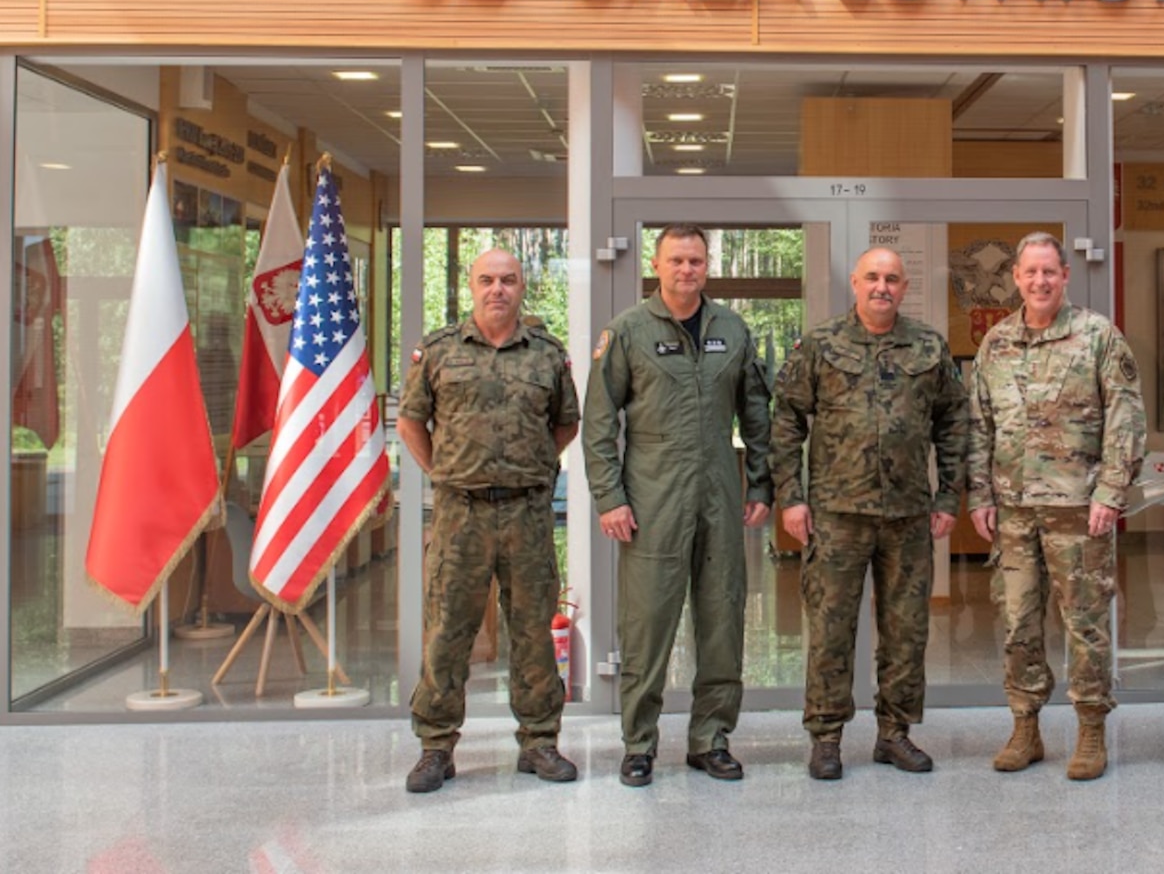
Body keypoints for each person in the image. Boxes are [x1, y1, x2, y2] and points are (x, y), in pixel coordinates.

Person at [580, 226, 773, 786]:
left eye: (695, 260)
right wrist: (609, 497)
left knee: (722, 621)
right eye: (676, 260)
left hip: (717, 494)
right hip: (652, 499)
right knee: (647, 625)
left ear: (706, 266)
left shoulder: (731, 329)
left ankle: (710, 739)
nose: (686, 269)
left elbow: (756, 415)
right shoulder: (628, 332)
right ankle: (639, 743)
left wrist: (760, 485)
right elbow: (598, 424)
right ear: (655, 265)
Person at [771, 247, 969, 780]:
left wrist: (950, 496)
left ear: (905, 288)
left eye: (893, 279)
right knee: (831, 630)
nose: (882, 287)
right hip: (836, 515)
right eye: (873, 278)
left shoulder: (928, 345)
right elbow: (786, 420)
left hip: (908, 516)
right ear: (855, 284)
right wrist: (791, 496)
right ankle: (827, 737)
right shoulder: (820, 344)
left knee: (906, 630)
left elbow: (954, 423)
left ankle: (895, 734)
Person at [399, 248, 580, 794]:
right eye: (487, 280)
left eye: (507, 280)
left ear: (522, 287)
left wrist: (535, 466)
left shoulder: (547, 354)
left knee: (532, 631)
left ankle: (540, 741)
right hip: (461, 513)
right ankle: (436, 747)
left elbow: (565, 425)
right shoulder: (438, 351)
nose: (497, 289)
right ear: (471, 288)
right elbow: (411, 422)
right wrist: (444, 472)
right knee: (448, 631)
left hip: (525, 512)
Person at [966, 231, 1146, 782]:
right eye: (1030, 272)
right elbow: (979, 425)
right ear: (1015, 278)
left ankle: (1090, 729)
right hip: (1015, 513)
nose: (1040, 281)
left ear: (1065, 275)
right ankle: (1026, 726)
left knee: (1085, 625)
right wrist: (979, 494)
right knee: (1018, 621)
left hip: (1079, 510)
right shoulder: (995, 344)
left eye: (1049, 271)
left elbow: (1126, 419)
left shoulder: (1098, 338)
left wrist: (1110, 494)